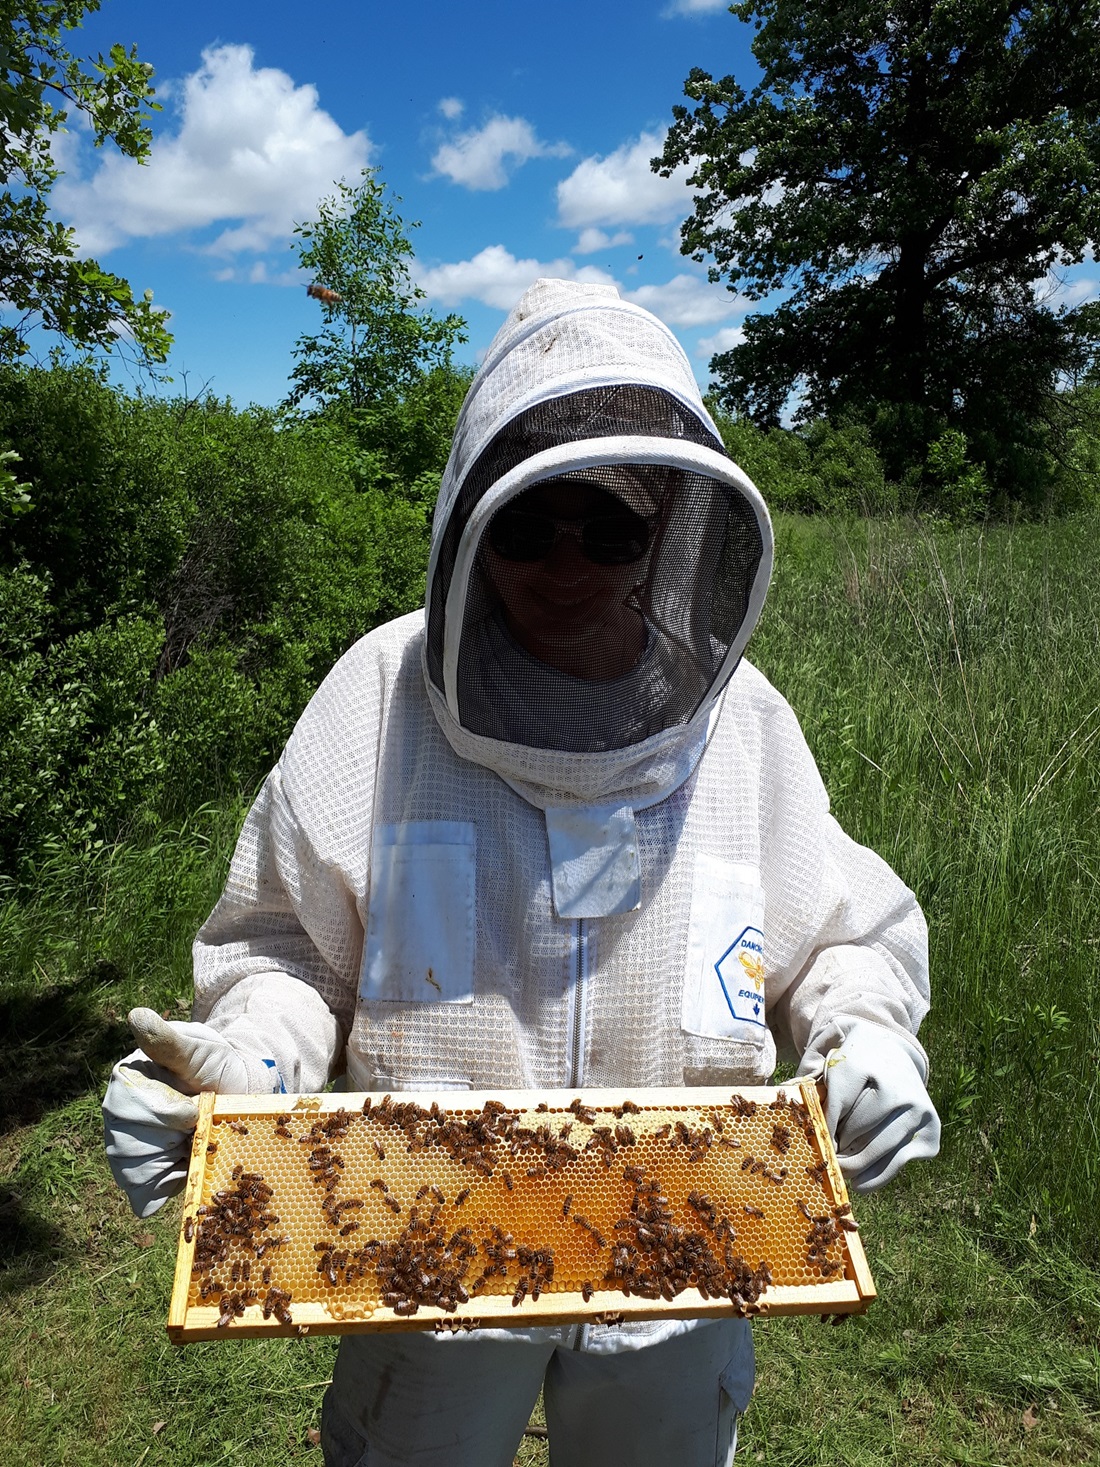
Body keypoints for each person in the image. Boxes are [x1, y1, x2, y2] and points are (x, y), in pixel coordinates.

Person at [103, 278, 940, 1467]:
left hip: (682, 1270)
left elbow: (836, 937)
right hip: (423, 1264)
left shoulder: (738, 720)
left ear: (669, 527)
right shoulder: (376, 701)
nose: (564, 563)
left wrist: (865, 1036)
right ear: (467, 521)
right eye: (527, 523)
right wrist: (255, 1061)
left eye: (609, 528)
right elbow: (290, 947)